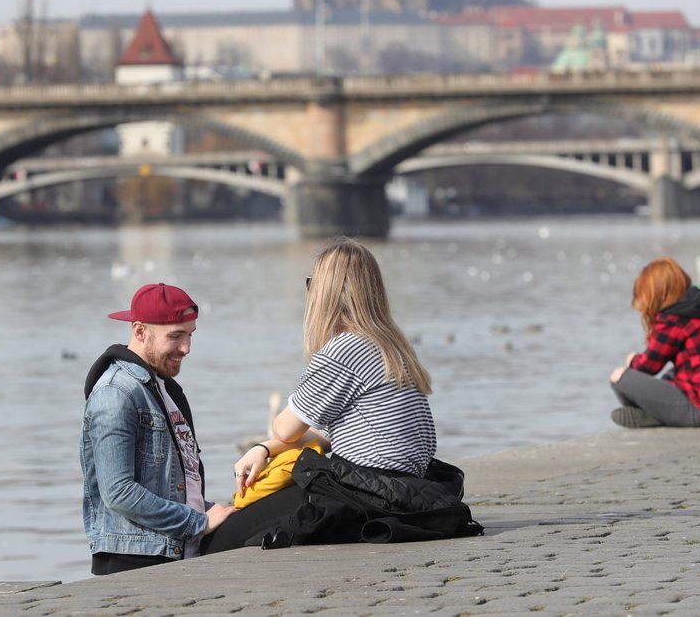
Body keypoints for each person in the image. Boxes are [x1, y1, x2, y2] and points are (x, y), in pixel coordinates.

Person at [201, 238, 481, 553]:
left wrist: (269, 443)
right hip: (402, 489)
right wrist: (263, 449)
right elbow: (326, 437)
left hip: (364, 492)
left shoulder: (344, 349)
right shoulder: (391, 346)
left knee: (221, 539)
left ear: (327, 293)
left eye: (311, 285)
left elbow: (286, 428)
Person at [80, 283, 236, 575]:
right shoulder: (116, 393)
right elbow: (118, 492)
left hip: (176, 554)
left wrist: (217, 508)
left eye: (190, 335)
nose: (186, 348)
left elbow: (173, 485)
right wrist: (199, 523)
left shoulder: (162, 387)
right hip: (136, 563)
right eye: (176, 336)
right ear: (140, 332)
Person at [609, 257, 700, 428]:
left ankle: (656, 417)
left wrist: (632, 360)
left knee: (619, 378)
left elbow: (647, 367)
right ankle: (658, 416)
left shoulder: (674, 317)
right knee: (670, 375)